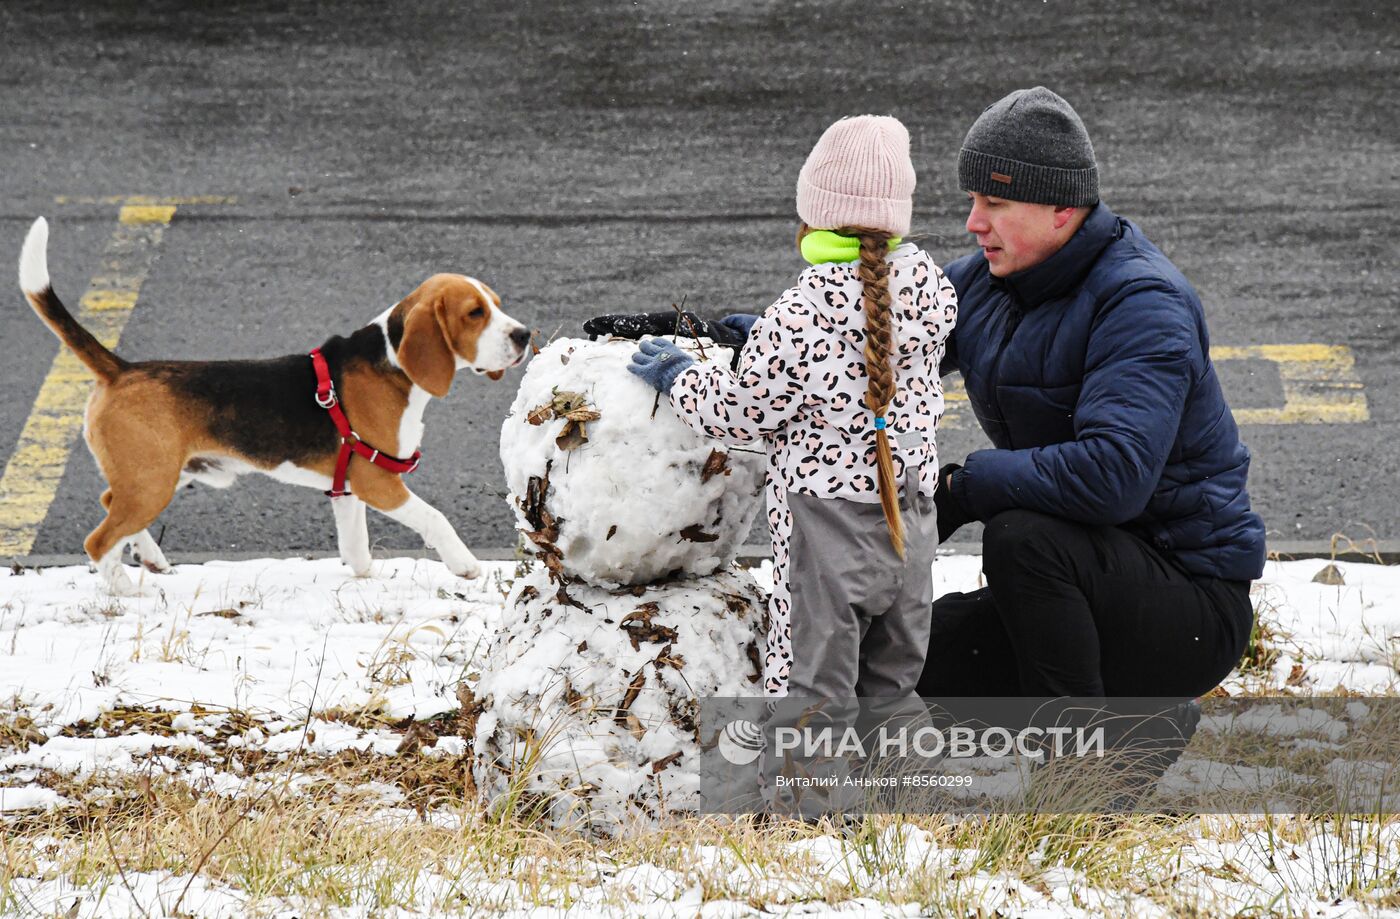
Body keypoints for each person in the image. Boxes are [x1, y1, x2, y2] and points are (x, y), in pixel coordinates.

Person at [918, 87, 1265, 707]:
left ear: (1060, 208)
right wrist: (737, 338)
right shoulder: (984, 278)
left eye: (994, 202)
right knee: (917, 666)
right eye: (972, 201)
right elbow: (866, 350)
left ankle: (1081, 776)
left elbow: (1115, 475)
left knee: (1020, 537)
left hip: (1188, 602)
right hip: (1082, 577)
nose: (974, 222)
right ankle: (1145, 731)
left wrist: (965, 489)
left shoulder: (1141, 301)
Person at [624, 115, 959, 698]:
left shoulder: (802, 311)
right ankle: (905, 792)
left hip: (826, 530)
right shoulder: (930, 287)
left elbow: (740, 412)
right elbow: (861, 363)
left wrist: (679, 376)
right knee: (892, 688)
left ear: (815, 216)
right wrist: (768, 340)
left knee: (812, 691)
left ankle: (807, 794)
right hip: (910, 517)